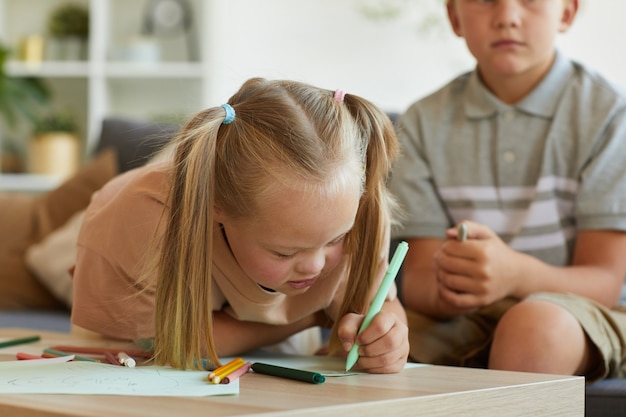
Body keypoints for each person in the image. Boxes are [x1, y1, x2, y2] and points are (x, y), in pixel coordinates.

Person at [71, 78, 409, 372]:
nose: (317, 265)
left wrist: (389, 336)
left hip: (257, 327)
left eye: (335, 239)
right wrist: (311, 317)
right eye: (284, 252)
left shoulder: (358, 207)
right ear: (217, 206)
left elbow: (378, 304)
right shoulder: (140, 220)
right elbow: (167, 343)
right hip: (129, 347)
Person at [389, 0, 626, 382]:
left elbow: (604, 283)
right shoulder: (421, 123)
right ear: (454, 17)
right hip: (462, 317)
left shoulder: (611, 116)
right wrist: (450, 286)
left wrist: (514, 275)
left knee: (534, 328)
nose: (507, 17)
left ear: (566, 12)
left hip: (581, 313)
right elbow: (418, 281)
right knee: (368, 342)